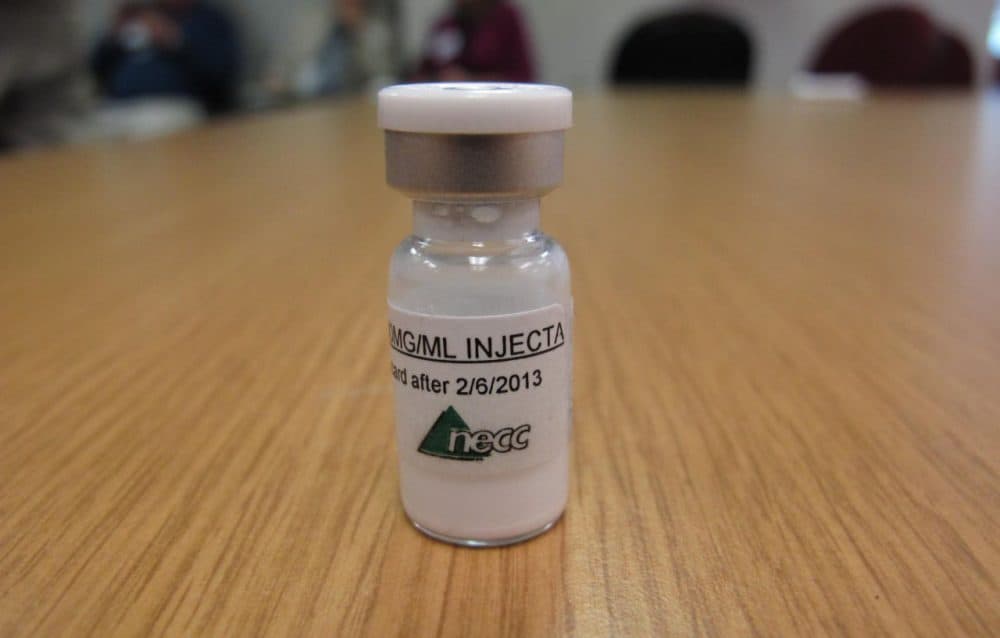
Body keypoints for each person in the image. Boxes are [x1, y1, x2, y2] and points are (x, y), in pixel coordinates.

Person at [92, 0, 239, 114]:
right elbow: (96, 69)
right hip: (117, 107)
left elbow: (221, 73)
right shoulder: (140, 16)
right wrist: (113, 37)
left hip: (176, 107)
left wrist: (175, 40)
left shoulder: (209, 19)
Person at [415, 0, 535, 82]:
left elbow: (523, 77)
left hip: (495, 104)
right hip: (447, 102)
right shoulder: (446, 24)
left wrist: (469, 80)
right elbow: (421, 74)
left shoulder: (506, 19)